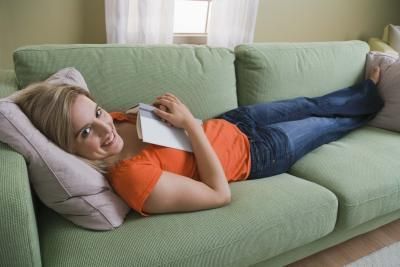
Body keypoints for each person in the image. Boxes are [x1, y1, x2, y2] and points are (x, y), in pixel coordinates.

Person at [13, 67, 383, 216]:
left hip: (234, 121)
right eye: (84, 133)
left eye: (96, 113)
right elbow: (219, 194)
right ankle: (374, 108)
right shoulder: (130, 178)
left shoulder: (116, 119)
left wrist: (166, 112)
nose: (103, 128)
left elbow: (159, 135)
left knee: (311, 103)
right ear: (66, 147)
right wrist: (190, 123)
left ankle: (368, 89)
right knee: (326, 123)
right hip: (258, 153)